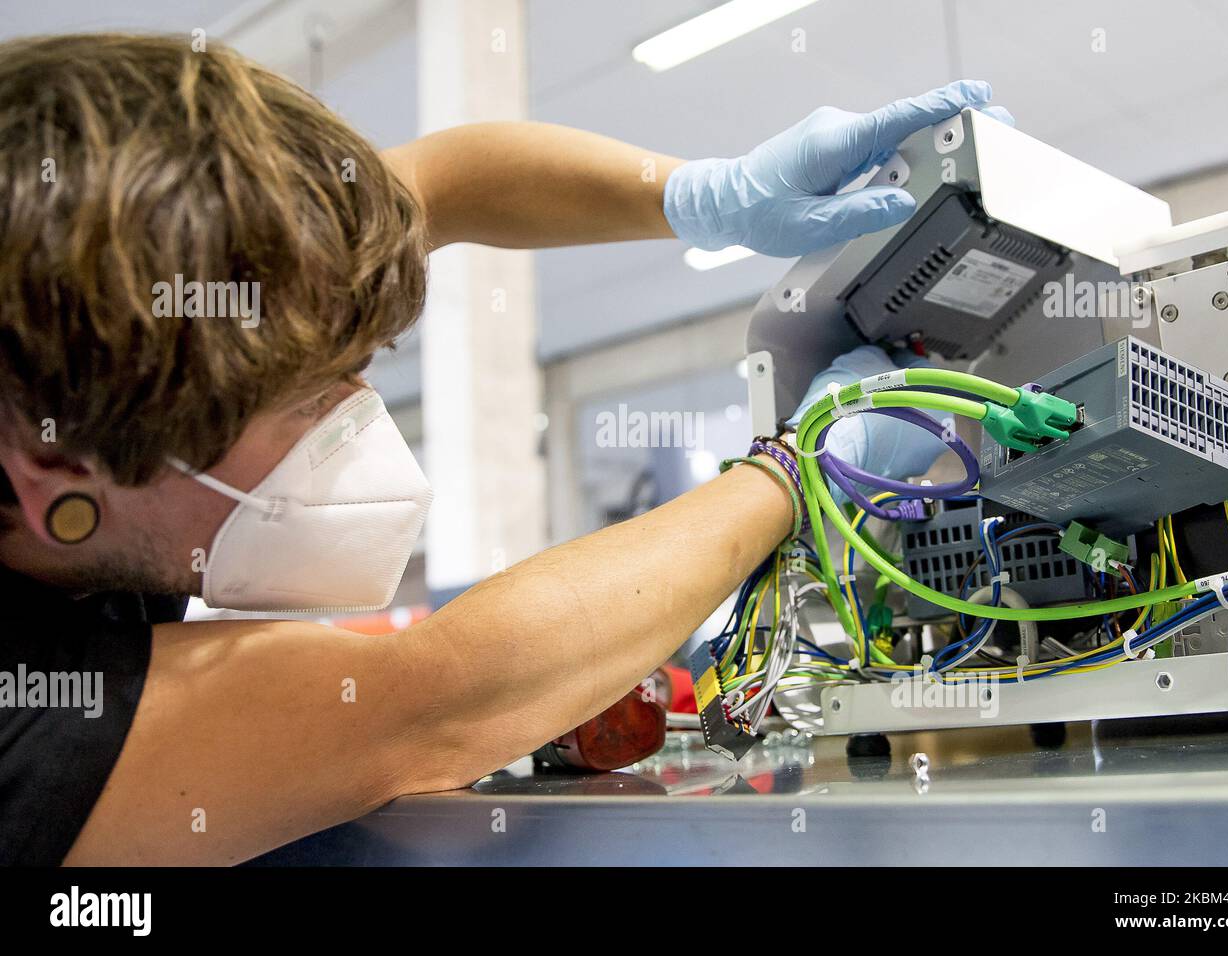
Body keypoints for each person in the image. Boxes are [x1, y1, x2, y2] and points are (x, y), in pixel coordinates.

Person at [0, 33, 1006, 865]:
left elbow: (442, 180)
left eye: (362, 365)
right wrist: (797, 468)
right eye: (307, 404)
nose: (359, 420)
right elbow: (436, 700)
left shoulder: (156, 294)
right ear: (60, 480)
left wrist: (706, 192)